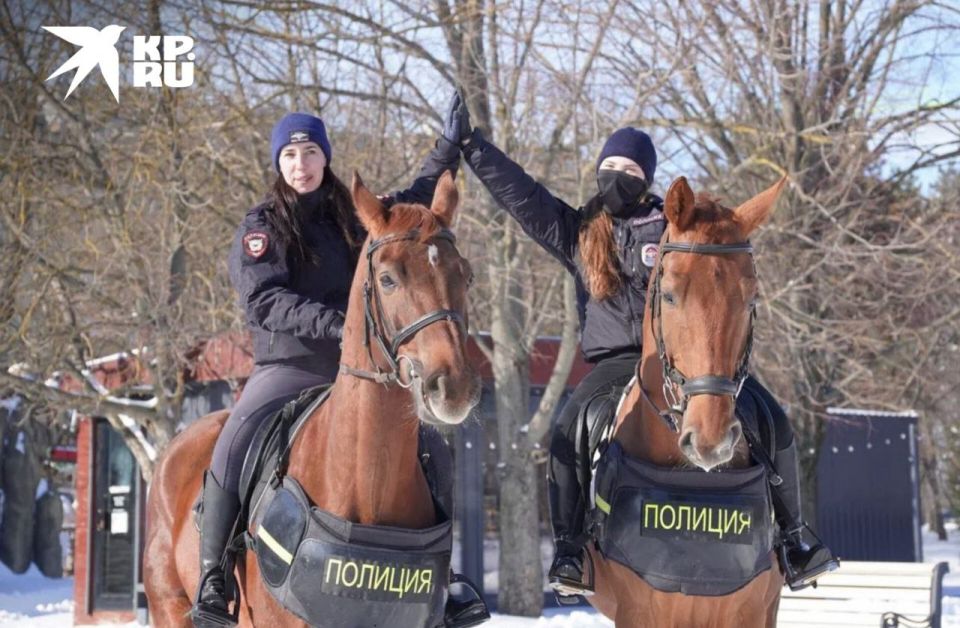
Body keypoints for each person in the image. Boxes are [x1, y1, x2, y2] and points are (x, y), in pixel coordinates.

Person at [440, 91, 837, 599]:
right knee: (567, 431)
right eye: (609, 166)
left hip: (687, 361)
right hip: (614, 365)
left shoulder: (674, 226)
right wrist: (473, 146)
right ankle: (570, 548)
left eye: (629, 169)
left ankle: (795, 538)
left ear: (647, 179)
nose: (617, 176)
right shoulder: (579, 232)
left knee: (772, 418)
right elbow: (523, 197)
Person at [191, 108, 463, 627]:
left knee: (432, 447)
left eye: (311, 152)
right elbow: (264, 300)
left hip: (361, 373)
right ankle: (213, 575)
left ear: (325, 157)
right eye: (291, 155)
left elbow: (414, 202)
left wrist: (448, 148)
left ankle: (445, 578)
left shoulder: (353, 215)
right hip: (289, 366)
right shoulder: (262, 226)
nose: (302, 164)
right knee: (236, 439)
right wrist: (337, 326)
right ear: (279, 162)